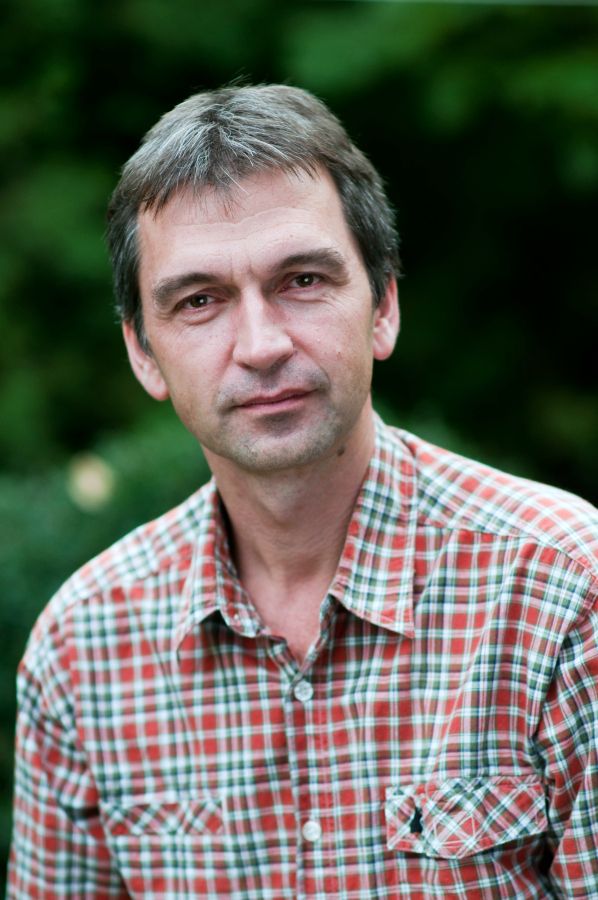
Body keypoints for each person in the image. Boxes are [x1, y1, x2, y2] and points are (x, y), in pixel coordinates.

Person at [7, 84, 598, 899]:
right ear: (144, 354)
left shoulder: (563, 592)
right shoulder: (84, 648)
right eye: (200, 301)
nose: (260, 345)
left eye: (303, 280)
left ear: (383, 306)